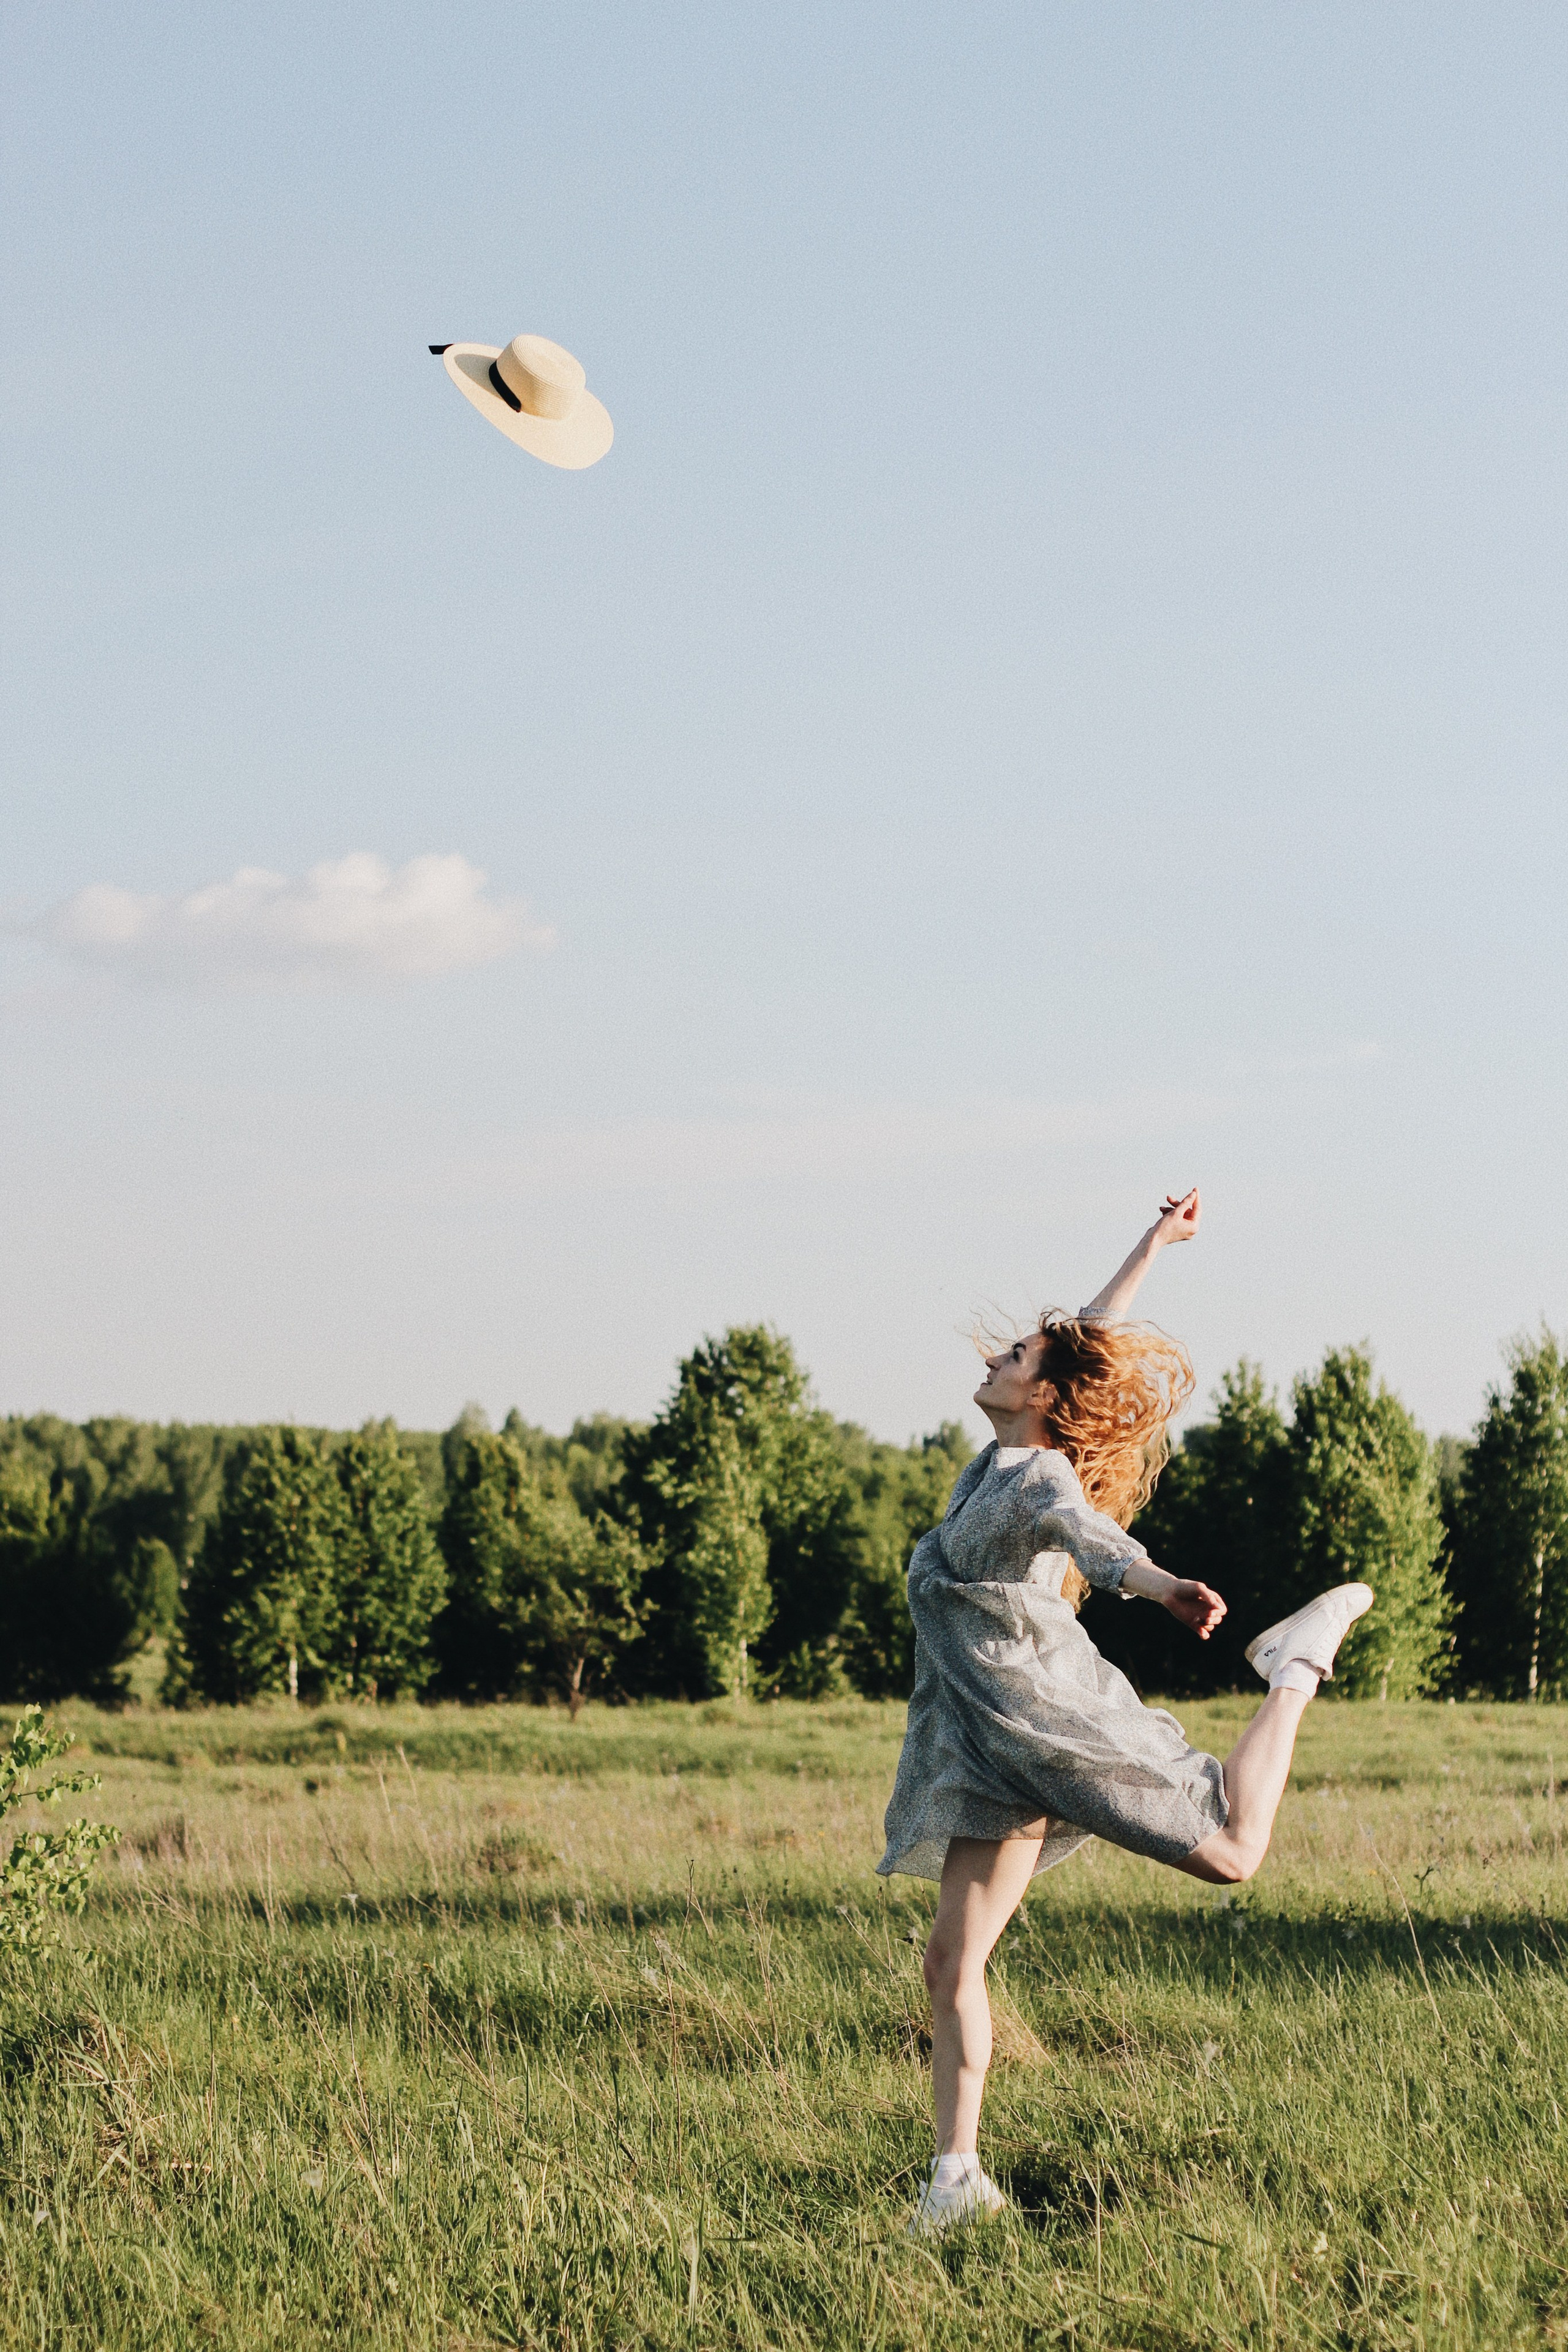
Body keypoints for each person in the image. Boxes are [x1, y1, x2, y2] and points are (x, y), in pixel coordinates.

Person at [878, 1186, 1373, 2234]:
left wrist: (1164, 1588)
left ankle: (1293, 1665)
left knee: (1236, 1851)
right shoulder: (987, 1470)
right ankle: (956, 2182)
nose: (995, 1360)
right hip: (986, 1753)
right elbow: (1086, 1340)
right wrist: (1154, 1244)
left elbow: (1099, 1542)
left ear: (1042, 1398)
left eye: (1014, 1356)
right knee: (950, 1964)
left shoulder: (1039, 1479)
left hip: (1058, 1732)